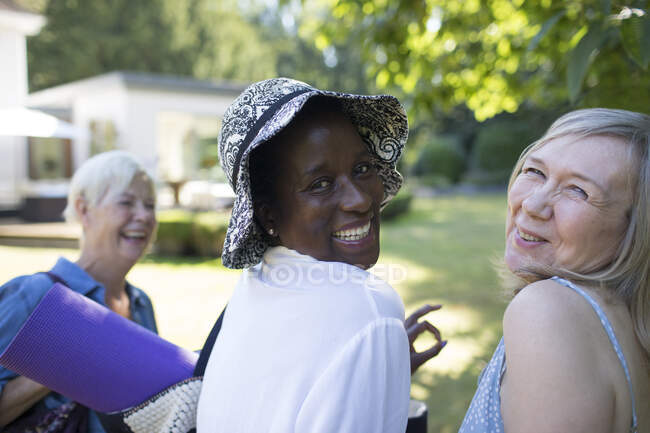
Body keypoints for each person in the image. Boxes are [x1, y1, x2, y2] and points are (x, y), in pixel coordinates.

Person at [196, 78, 444, 433]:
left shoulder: (254, 288)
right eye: (320, 184)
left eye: (362, 169)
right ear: (268, 216)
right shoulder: (369, 309)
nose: (359, 200)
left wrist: (379, 363)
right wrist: (375, 340)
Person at [459, 108, 650, 433]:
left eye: (578, 190)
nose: (532, 205)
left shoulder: (546, 312)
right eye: (535, 171)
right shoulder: (626, 321)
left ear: (634, 230)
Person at [0, 150, 159, 432]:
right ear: (84, 210)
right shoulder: (35, 295)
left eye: (150, 205)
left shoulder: (141, 304)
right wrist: (60, 364)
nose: (144, 216)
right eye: (126, 202)